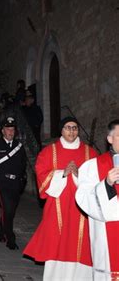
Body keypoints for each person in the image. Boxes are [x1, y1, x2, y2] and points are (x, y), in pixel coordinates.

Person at [24, 117, 97, 279]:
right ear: (61, 131)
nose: (71, 131)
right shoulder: (49, 152)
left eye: (75, 128)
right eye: (67, 127)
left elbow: (97, 179)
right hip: (57, 205)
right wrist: (62, 173)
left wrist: (79, 174)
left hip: (82, 209)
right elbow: (41, 173)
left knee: (82, 243)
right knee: (56, 241)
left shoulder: (90, 153)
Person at [76, 119, 119, 280]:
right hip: (106, 238)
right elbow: (83, 198)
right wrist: (106, 184)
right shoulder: (92, 166)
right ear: (109, 139)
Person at [0, 117, 27, 250]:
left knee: (10, 211)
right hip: (1, 183)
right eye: (8, 129)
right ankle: (10, 238)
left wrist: (22, 179)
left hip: (16, 183)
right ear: (2, 131)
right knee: (7, 209)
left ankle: (0, 231)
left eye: (12, 129)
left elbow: (23, 164)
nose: (10, 131)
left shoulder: (19, 146)